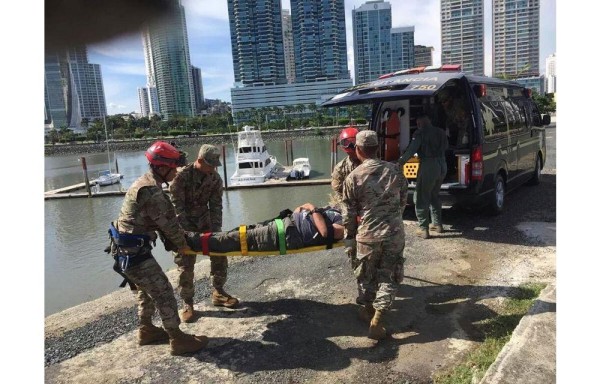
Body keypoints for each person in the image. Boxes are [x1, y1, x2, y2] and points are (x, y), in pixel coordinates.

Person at [108, 141, 208, 356]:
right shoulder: (152, 192)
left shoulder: (144, 183)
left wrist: (177, 241)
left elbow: (161, 227)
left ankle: (147, 331)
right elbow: (170, 227)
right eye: (174, 168)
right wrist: (184, 247)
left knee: (146, 291)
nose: (177, 171)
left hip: (127, 251)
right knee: (163, 293)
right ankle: (177, 339)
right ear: (162, 168)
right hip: (135, 255)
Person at [342, 130, 408, 340]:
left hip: (367, 236)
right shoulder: (395, 171)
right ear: (378, 148)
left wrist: (350, 239)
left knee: (365, 275)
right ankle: (378, 319)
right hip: (393, 233)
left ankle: (368, 309)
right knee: (389, 275)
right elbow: (403, 201)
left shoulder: (353, 177)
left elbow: (349, 214)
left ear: (359, 150)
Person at [169, 144, 239, 323]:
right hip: (183, 225)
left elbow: (216, 207)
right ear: (199, 160)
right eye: (210, 164)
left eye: (216, 165)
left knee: (219, 254)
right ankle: (188, 303)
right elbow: (177, 209)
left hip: (205, 222)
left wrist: (216, 233)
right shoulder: (180, 177)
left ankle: (218, 292)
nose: (213, 169)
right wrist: (185, 236)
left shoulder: (215, 179)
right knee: (185, 265)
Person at [185, 203, 345, 254]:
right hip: (284, 223)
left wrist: (313, 209)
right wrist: (305, 208)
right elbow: (301, 209)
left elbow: (325, 233)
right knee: (238, 231)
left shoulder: (343, 224)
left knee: (238, 240)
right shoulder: (335, 210)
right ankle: (195, 238)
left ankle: (191, 242)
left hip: (287, 234)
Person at [398, 112, 448, 238]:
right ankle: (437, 224)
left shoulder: (420, 133)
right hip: (442, 164)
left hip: (428, 165)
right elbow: (446, 146)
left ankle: (423, 228)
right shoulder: (441, 132)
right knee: (434, 194)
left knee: (421, 196)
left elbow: (412, 149)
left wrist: (401, 162)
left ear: (419, 123)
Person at [329, 126, 365, 305]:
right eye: (346, 143)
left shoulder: (370, 162)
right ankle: (363, 288)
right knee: (354, 253)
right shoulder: (341, 168)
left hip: (369, 215)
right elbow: (339, 193)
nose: (349, 146)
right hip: (352, 215)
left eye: (352, 142)